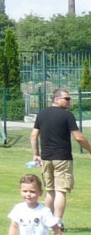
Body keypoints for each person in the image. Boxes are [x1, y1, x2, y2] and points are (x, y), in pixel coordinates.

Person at [30, 88, 91, 226]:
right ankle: (57, 222)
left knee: (50, 191)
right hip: (62, 158)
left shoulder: (42, 114)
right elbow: (79, 137)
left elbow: (33, 135)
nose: (70, 101)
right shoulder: (67, 115)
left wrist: (36, 155)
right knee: (60, 191)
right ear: (56, 99)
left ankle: (47, 221)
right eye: (67, 99)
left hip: (46, 158)